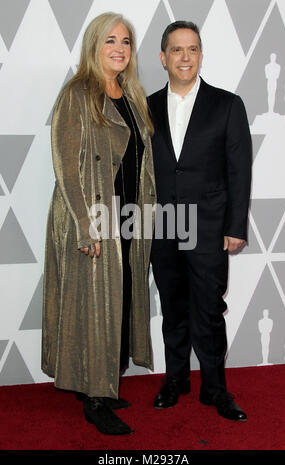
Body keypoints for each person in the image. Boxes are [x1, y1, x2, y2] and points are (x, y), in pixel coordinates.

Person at [42, 12, 156, 435]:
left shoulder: (131, 94)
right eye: (110, 40)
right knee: (93, 306)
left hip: (127, 216)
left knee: (118, 302)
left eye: (126, 41)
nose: (119, 49)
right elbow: (65, 167)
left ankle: (102, 382)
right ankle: (94, 398)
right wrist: (85, 225)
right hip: (92, 216)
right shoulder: (78, 93)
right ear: (94, 45)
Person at [148, 21, 252, 421]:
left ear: (201, 54)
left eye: (192, 49)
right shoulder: (146, 105)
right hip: (163, 222)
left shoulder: (227, 104)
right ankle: (175, 380)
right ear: (163, 57)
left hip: (208, 224)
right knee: (173, 306)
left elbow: (239, 169)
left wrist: (235, 227)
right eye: (177, 50)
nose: (185, 56)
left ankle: (215, 388)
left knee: (208, 307)